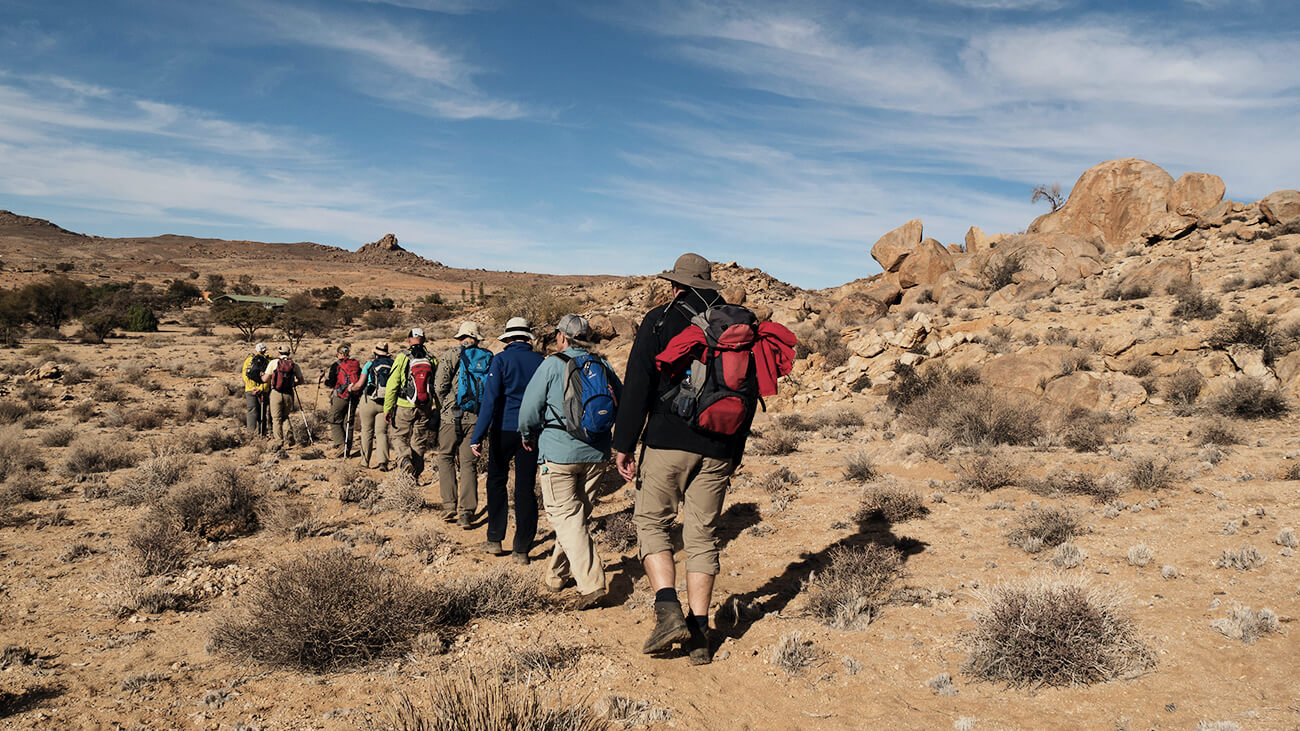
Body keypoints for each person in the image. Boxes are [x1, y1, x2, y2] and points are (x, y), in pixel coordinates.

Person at [612, 253, 747, 666]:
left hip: (668, 440)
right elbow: (750, 393)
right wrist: (734, 452)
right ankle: (701, 634)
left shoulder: (659, 319)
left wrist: (624, 443)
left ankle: (667, 609)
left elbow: (638, 383)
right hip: (721, 444)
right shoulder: (739, 326)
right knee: (702, 535)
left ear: (676, 286)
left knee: (652, 521)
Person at [517, 314, 621, 610]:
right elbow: (621, 401)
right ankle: (556, 575)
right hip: (597, 454)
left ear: (561, 337)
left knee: (566, 518)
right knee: (575, 519)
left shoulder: (551, 364)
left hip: (558, 453)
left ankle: (591, 584)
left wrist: (527, 434)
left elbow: (528, 410)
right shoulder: (602, 364)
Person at [470, 317, 544, 564]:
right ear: (527, 338)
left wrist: (477, 435)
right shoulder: (540, 361)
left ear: (508, 339)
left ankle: (495, 538)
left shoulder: (500, 360)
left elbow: (490, 400)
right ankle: (521, 548)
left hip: (502, 429)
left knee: (497, 481)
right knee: (525, 488)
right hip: (531, 432)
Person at [435, 322, 491, 528]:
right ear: (476, 338)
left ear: (461, 338)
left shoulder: (451, 355)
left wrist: (446, 404)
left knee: (446, 457)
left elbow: (439, 385)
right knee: (468, 464)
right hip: (477, 417)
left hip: (451, 416)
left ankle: (449, 505)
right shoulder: (488, 356)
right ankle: (467, 512)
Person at [383, 328, 439, 479]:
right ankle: (414, 477)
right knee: (419, 440)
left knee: (398, 436)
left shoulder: (402, 357)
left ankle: (404, 458)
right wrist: (439, 407)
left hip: (404, 404)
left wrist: (387, 408)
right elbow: (438, 385)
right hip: (425, 406)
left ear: (408, 340)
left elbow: (392, 384)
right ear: (424, 339)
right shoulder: (432, 358)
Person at [321, 344, 363, 457]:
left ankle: (340, 444)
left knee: (333, 419)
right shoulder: (355, 365)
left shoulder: (336, 365)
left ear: (338, 354)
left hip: (340, 396)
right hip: (353, 396)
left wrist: (324, 380)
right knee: (348, 423)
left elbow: (332, 383)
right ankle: (347, 449)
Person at [357, 342, 394, 470]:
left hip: (369, 400)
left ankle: (364, 462)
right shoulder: (393, 364)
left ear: (375, 353)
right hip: (386, 403)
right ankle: (383, 462)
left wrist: (352, 388)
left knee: (366, 431)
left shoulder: (369, 364)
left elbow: (360, 384)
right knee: (381, 432)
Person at [261, 345, 305, 449]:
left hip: (276, 393)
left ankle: (279, 441)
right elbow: (301, 380)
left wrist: (262, 375)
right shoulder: (294, 365)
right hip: (289, 393)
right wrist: (293, 384)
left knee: (276, 418)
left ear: (279, 353)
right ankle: (289, 437)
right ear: (289, 353)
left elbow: (264, 379)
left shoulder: (273, 363)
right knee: (285, 416)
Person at [240, 342, 270, 436]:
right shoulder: (268, 361)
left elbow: (245, 376)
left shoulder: (249, 360)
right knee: (262, 411)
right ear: (265, 350)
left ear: (256, 350)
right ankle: (262, 433)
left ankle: (251, 434)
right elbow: (269, 377)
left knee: (251, 411)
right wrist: (260, 388)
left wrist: (252, 388)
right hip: (263, 390)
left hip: (250, 390)